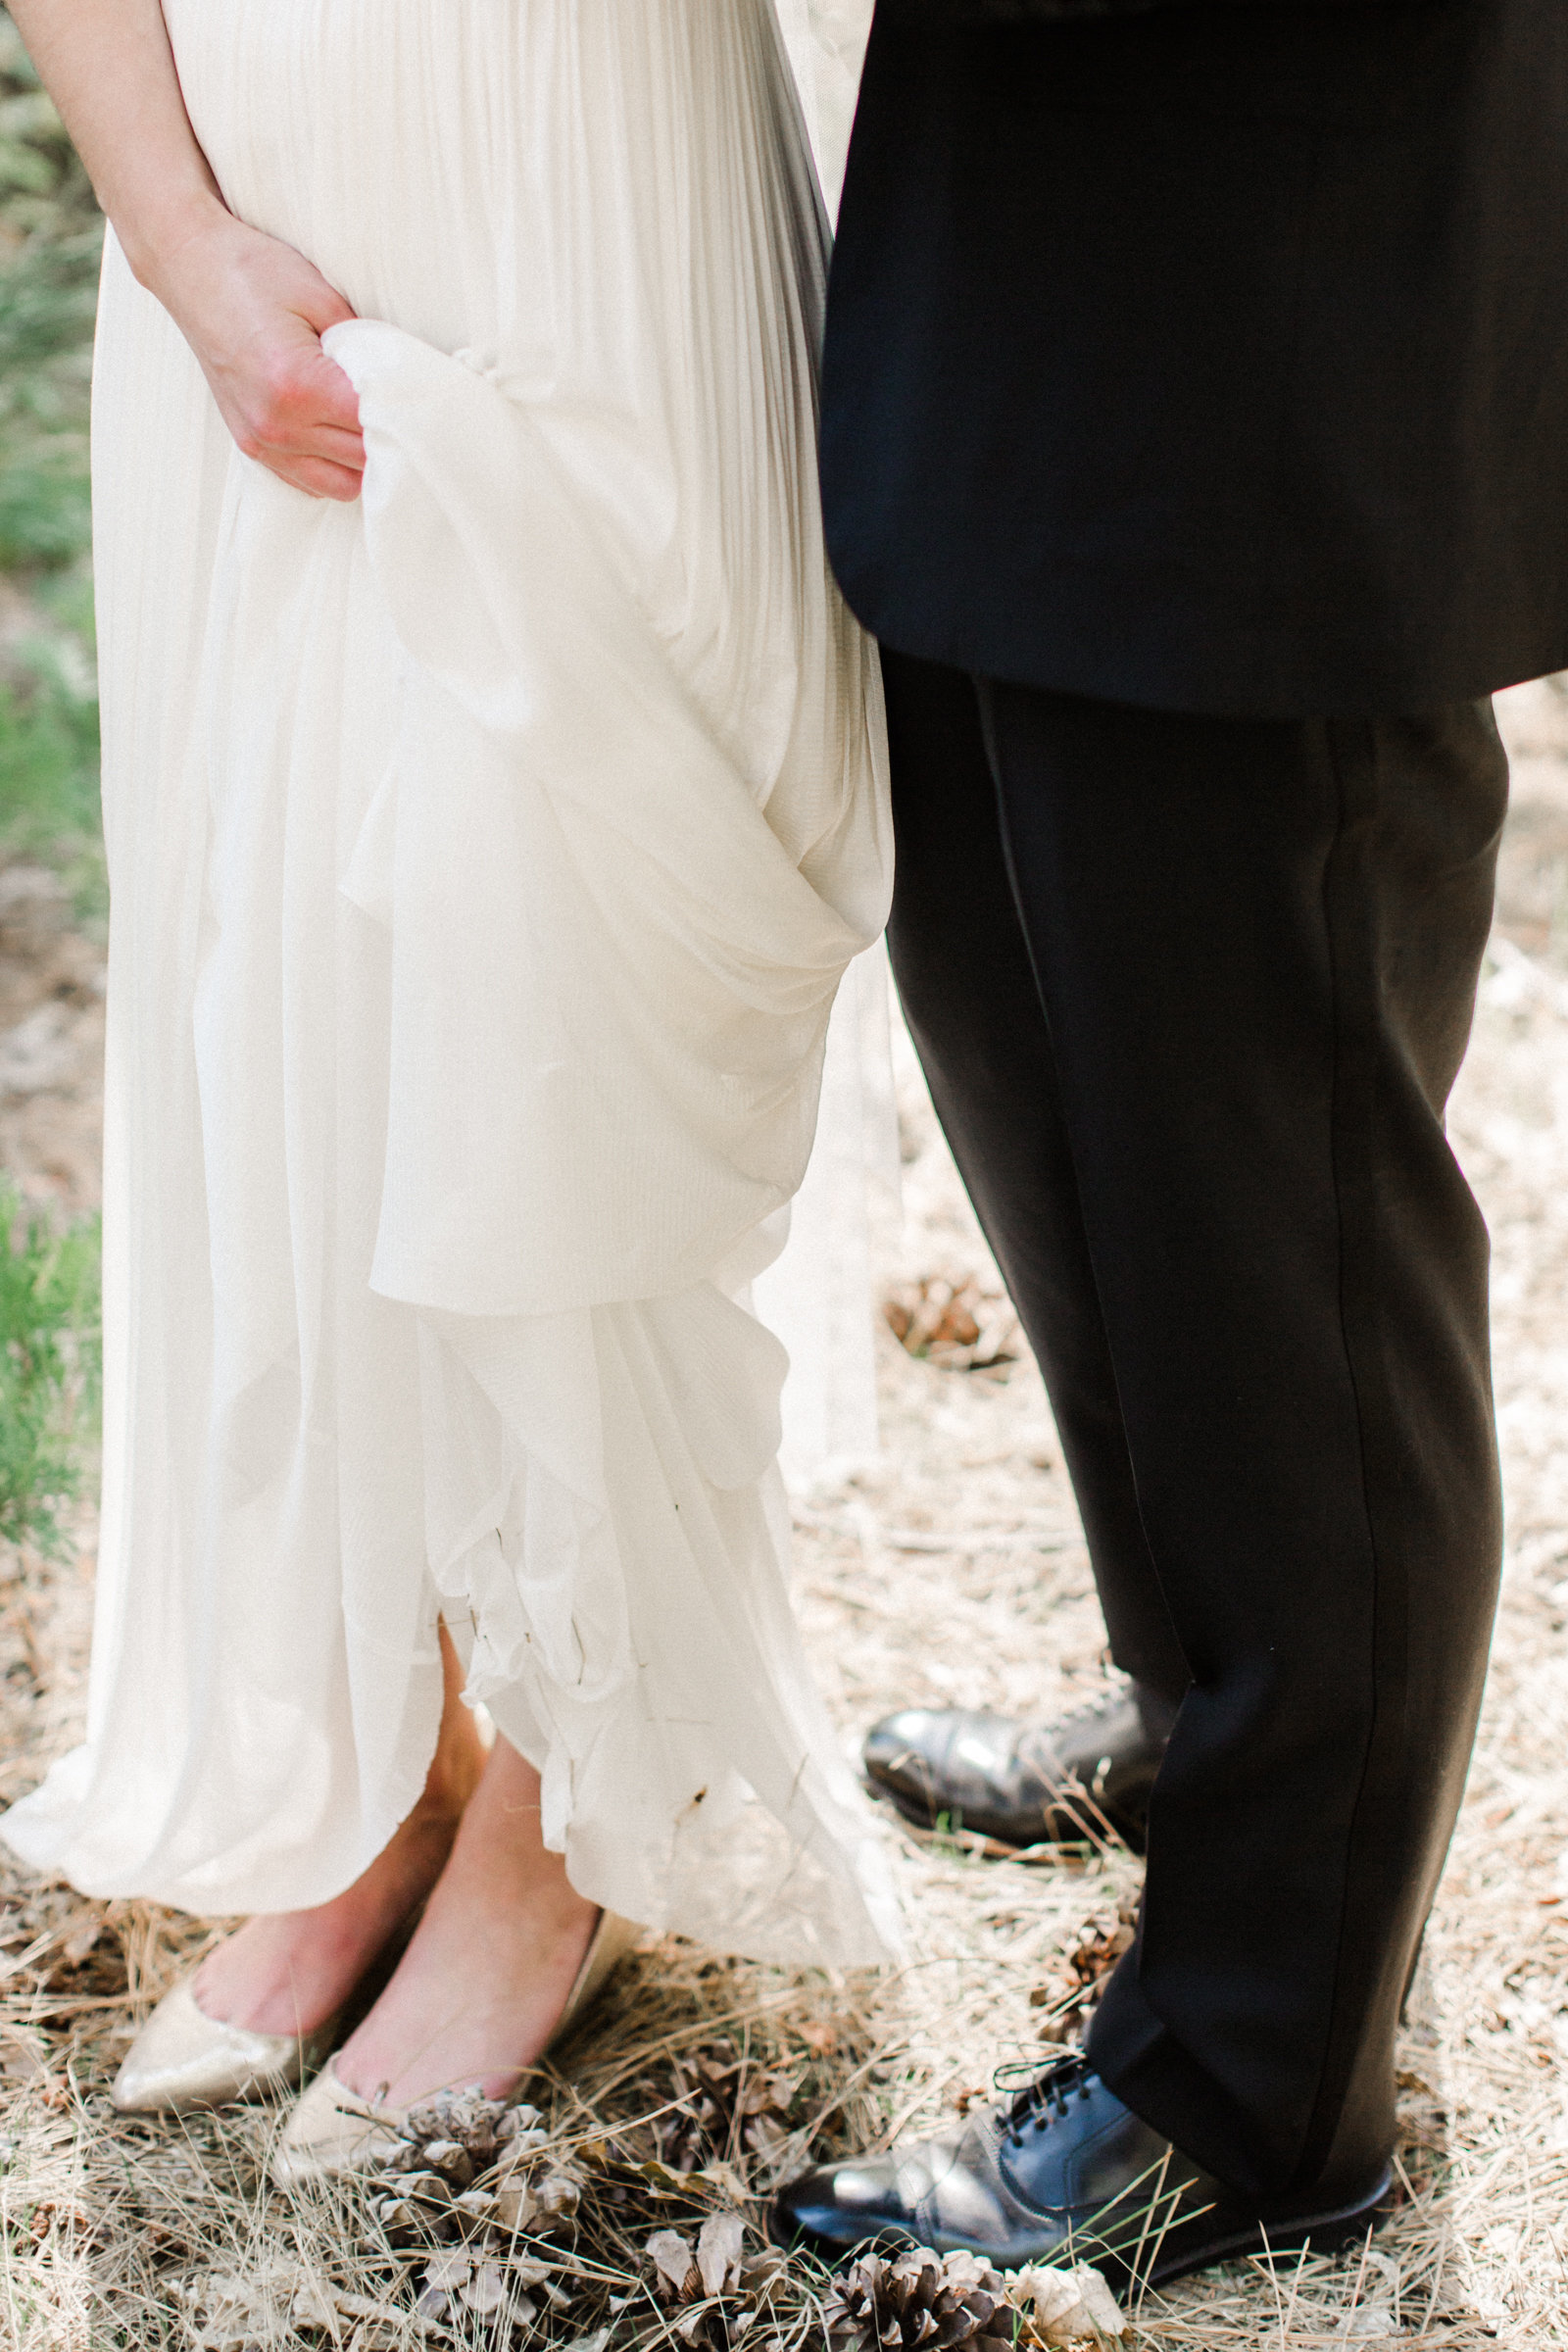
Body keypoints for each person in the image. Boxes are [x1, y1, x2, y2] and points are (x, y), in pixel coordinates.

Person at [0, 0, 896, 2180]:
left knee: (547, 958)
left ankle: (553, 1818)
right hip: (254, 230)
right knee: (293, 984)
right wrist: (182, 238)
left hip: (591, 212)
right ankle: (390, 1768)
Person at [775, 0, 1568, 2290]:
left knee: (1275, 1245)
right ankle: (1214, 1716)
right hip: (1019, 289)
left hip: (1277, 336)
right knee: (1069, 1111)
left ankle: (1250, 2081)